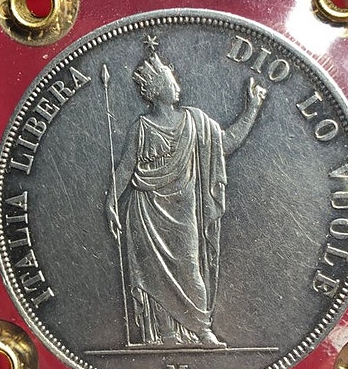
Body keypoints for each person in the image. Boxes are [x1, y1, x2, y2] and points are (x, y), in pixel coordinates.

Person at [106, 51, 266, 348]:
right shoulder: (141, 128)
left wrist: (252, 109)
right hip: (147, 212)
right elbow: (125, 168)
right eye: (171, 80)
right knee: (153, 272)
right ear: (157, 90)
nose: (177, 84)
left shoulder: (196, 122)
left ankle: (202, 329)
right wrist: (111, 203)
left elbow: (226, 143)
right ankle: (167, 335)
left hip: (184, 212)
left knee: (190, 267)